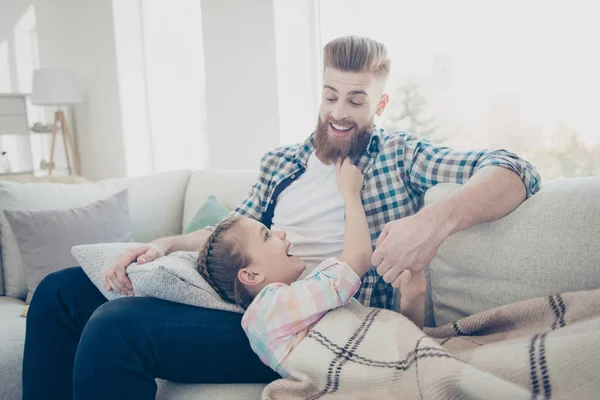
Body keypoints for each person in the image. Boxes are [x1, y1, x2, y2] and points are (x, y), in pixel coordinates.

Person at [23, 35, 541, 399]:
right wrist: (161, 244)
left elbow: (515, 169)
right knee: (59, 293)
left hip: (301, 326)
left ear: (379, 103)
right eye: (330, 94)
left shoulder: (400, 156)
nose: (339, 111)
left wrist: (436, 221)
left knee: (119, 328)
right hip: (245, 296)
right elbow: (232, 229)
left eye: (356, 100)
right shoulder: (283, 163)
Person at [197, 157, 426, 378]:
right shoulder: (265, 313)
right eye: (266, 235)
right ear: (251, 274)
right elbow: (359, 259)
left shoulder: (305, 305)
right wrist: (350, 192)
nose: (280, 232)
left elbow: (400, 351)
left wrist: (413, 298)